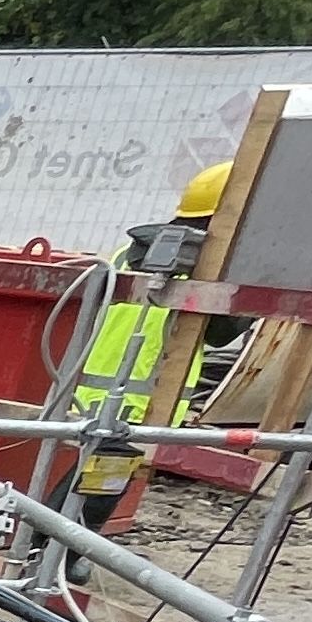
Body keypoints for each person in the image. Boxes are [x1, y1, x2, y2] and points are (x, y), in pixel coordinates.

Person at [67, 161, 237, 526]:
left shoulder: (135, 248)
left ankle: (55, 552)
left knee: (88, 479)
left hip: (90, 388)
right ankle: (55, 554)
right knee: (99, 487)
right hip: (137, 400)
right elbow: (223, 333)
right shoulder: (203, 266)